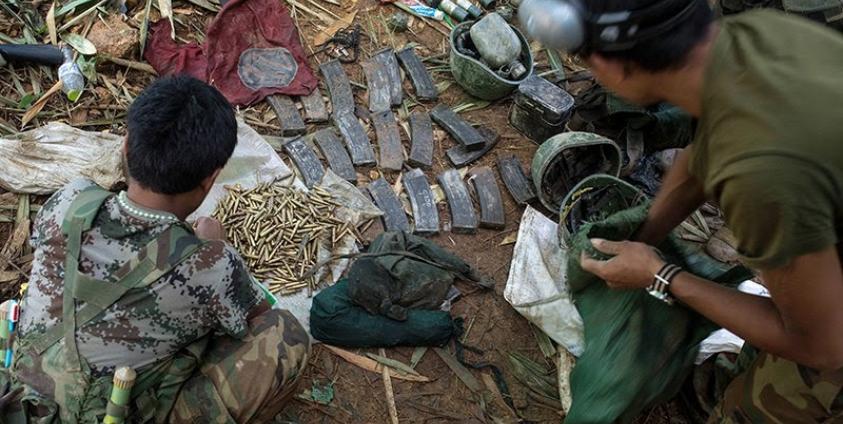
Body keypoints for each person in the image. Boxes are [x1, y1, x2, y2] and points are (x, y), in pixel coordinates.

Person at [522, 0, 843, 421]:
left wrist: (660, 275)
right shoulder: (757, 36)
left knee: (772, 404)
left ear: (611, 66)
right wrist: (646, 233)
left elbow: (822, 346)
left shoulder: (762, 174)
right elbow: (704, 152)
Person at [1, 75, 310, 423]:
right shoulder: (211, 264)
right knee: (285, 334)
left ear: (126, 145)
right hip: (105, 412)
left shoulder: (70, 201)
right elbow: (253, 319)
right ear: (212, 178)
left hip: (19, 397)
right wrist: (214, 247)